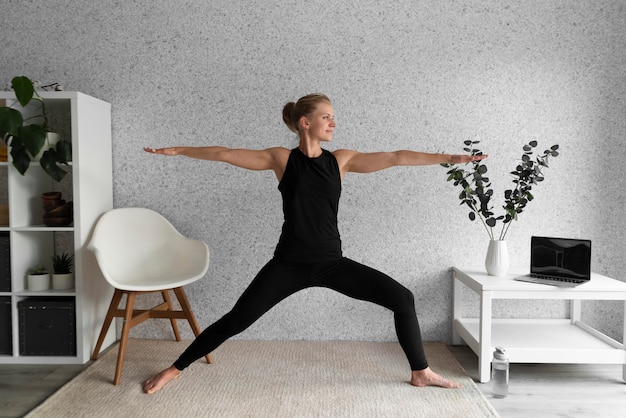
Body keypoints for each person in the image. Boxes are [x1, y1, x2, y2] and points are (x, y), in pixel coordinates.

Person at [142, 93, 487, 394]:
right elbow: (225, 153)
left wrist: (451, 159)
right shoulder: (281, 159)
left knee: (402, 298)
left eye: (334, 118)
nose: (333, 123)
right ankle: (174, 369)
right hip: (288, 264)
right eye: (327, 117)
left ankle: (420, 372)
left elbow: (396, 156)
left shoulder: (342, 161)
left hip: (332, 264)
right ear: (305, 122)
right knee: (236, 320)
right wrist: (181, 150)